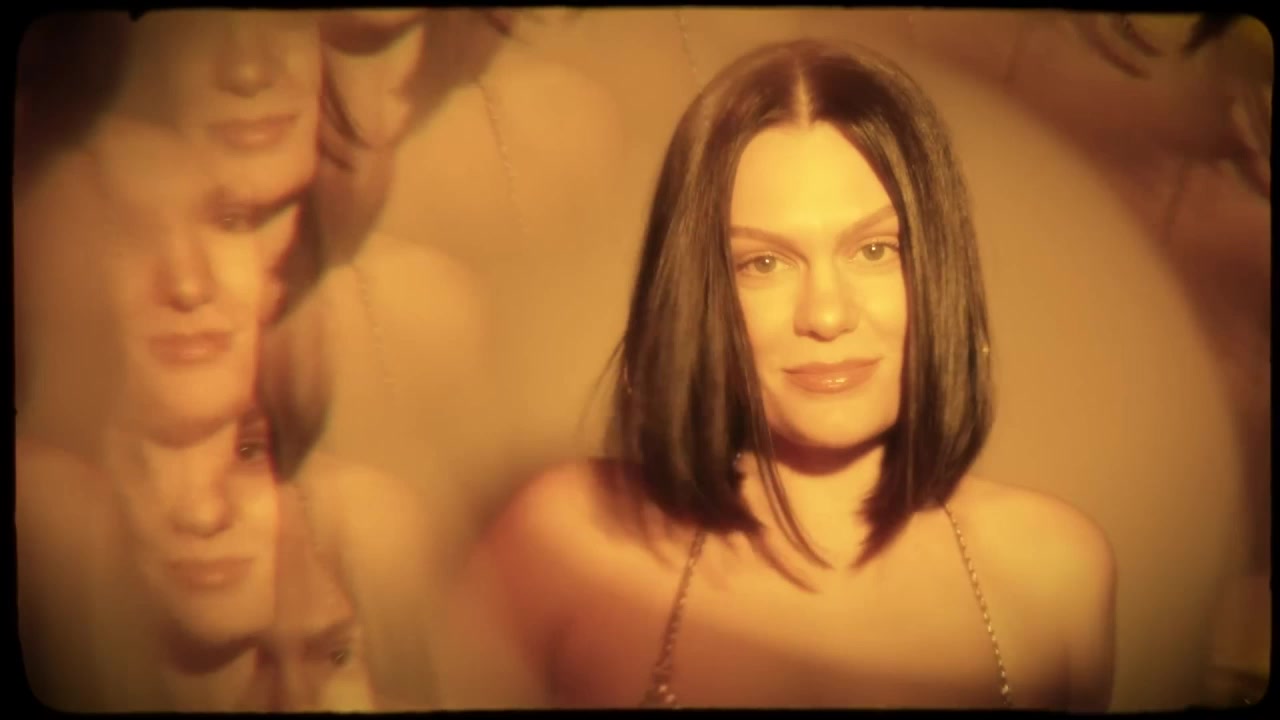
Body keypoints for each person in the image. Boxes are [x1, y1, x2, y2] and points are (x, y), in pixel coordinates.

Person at [439, 38, 1117, 710]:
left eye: (875, 250)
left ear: (938, 266)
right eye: (763, 264)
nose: (825, 314)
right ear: (701, 292)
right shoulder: (561, 539)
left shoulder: (1056, 574)